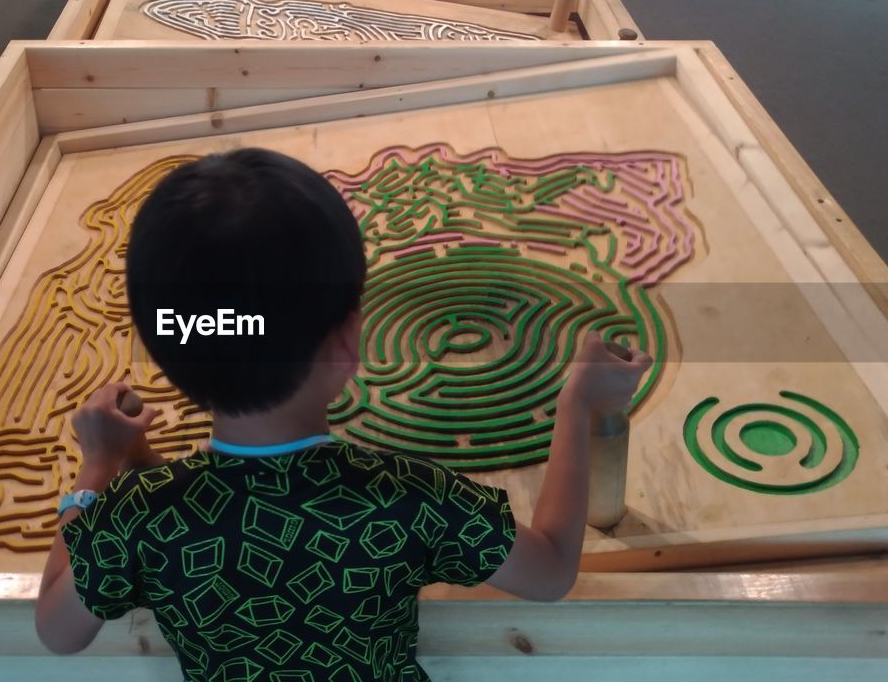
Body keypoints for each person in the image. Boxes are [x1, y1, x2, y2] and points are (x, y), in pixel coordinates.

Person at [34, 148, 652, 679]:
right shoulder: (407, 497)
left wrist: (99, 468)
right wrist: (578, 403)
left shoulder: (138, 518)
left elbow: (57, 631)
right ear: (347, 342)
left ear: (169, 351)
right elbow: (548, 572)